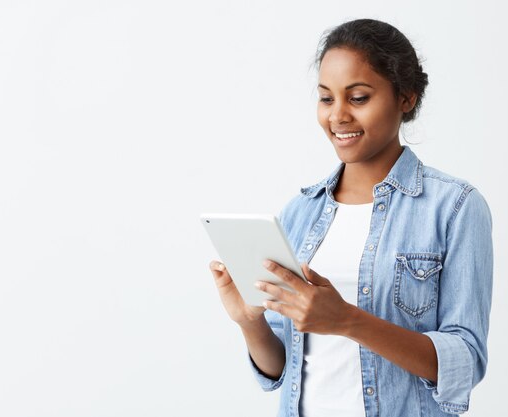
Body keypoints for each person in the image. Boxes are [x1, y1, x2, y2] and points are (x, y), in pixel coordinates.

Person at [208, 18, 493, 417]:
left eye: (358, 98)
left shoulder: (455, 206)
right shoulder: (300, 212)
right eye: (326, 98)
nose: (337, 116)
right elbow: (280, 369)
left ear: (406, 97)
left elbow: (465, 361)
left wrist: (347, 321)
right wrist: (248, 322)